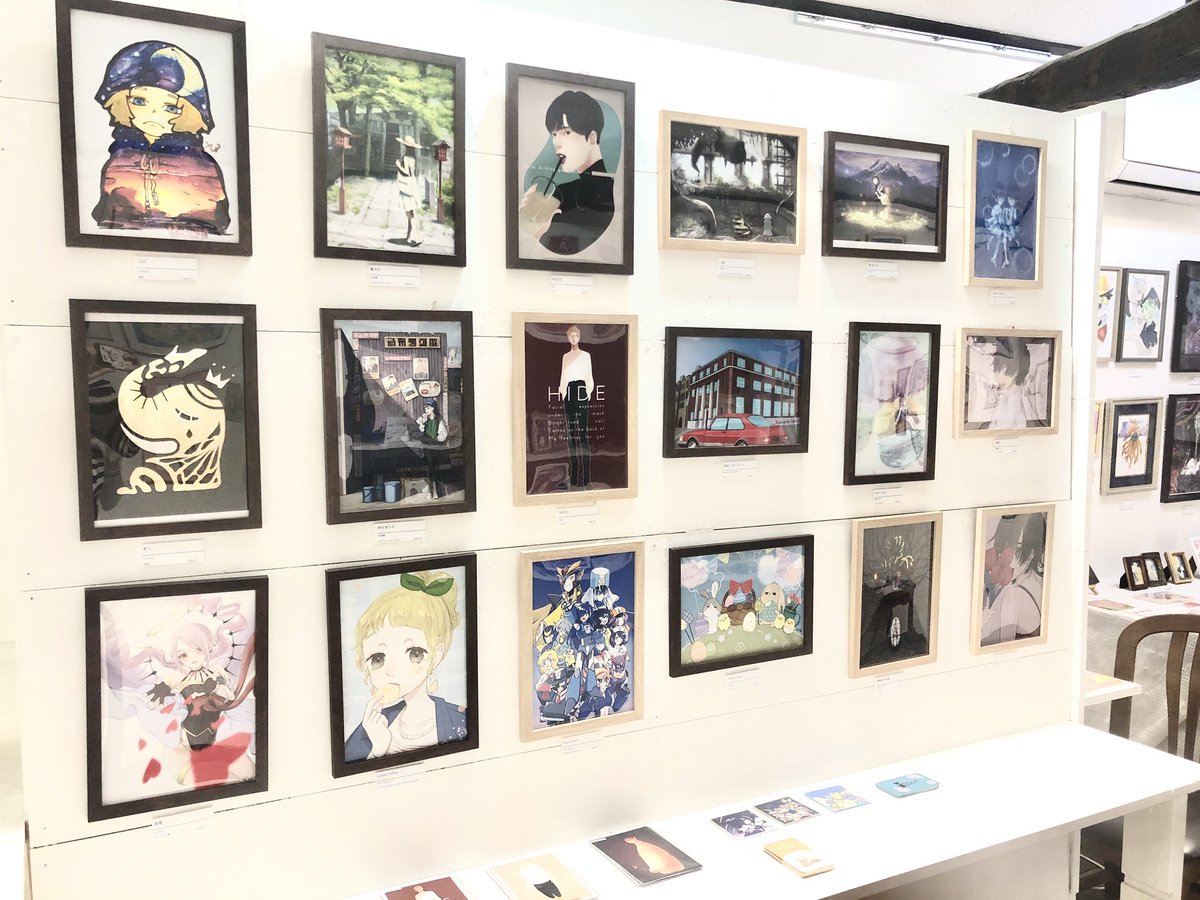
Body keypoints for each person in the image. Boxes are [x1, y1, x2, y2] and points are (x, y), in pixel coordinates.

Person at [91, 41, 230, 233]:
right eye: (139, 101)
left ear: (187, 112)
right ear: (122, 102)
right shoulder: (119, 159)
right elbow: (106, 216)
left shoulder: (202, 166)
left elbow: (216, 221)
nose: (154, 113)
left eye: (170, 107)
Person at [344, 571, 468, 762]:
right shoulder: (372, 725)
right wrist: (378, 749)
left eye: (414, 653)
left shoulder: (460, 720)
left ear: (437, 655)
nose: (391, 671)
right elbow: (351, 768)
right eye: (378, 658)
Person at [519, 90, 615, 255]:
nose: (556, 142)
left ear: (592, 137)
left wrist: (540, 233)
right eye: (554, 134)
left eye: (566, 132)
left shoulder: (611, 193)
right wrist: (526, 220)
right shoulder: (563, 192)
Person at [980, 513, 1046, 645]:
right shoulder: (1037, 587)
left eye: (1017, 550)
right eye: (1002, 547)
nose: (1008, 558)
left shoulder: (1013, 595)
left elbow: (1000, 649)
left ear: (1032, 553)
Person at [557, 325, 594, 490]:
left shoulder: (585, 356)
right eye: (570, 335)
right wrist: (563, 392)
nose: (573, 338)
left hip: (581, 390)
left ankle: (586, 478)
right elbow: (563, 376)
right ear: (568, 337)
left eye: (575, 335)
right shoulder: (565, 357)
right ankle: (573, 477)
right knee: (571, 435)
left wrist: (588, 392)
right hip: (569, 392)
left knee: (583, 435)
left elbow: (589, 375)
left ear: (579, 337)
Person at [394, 135, 423, 247]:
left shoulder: (406, 157)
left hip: (406, 185)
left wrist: (398, 165)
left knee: (409, 213)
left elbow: (406, 172)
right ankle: (409, 237)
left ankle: (416, 237)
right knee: (412, 212)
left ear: (405, 146)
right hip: (412, 184)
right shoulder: (413, 157)